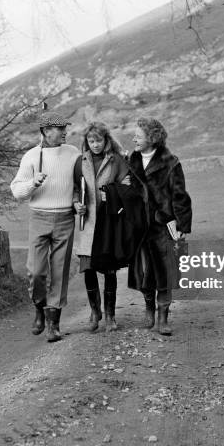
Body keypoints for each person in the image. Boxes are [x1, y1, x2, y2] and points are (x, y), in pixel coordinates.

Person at [10, 111, 80, 342]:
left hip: (65, 219)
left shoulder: (73, 153)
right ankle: (39, 307)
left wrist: (78, 202)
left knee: (59, 272)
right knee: (36, 271)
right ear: (45, 131)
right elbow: (17, 192)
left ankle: (53, 324)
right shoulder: (31, 156)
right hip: (39, 217)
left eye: (64, 128)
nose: (64, 132)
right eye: (59, 129)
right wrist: (33, 182)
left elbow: (82, 184)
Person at [127, 117, 192, 336]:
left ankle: (163, 316)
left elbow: (180, 195)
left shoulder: (170, 162)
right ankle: (148, 308)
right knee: (144, 271)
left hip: (163, 225)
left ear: (152, 138)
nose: (134, 138)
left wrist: (182, 225)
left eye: (138, 135)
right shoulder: (130, 161)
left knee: (165, 272)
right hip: (139, 227)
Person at [73, 122, 130, 332]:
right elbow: (75, 190)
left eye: (99, 140)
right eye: (91, 140)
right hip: (87, 224)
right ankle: (95, 312)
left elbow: (128, 185)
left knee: (109, 271)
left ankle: (110, 316)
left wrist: (113, 193)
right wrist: (76, 204)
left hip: (109, 224)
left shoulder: (116, 160)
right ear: (86, 142)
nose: (95, 144)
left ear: (106, 140)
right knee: (88, 269)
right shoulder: (80, 161)